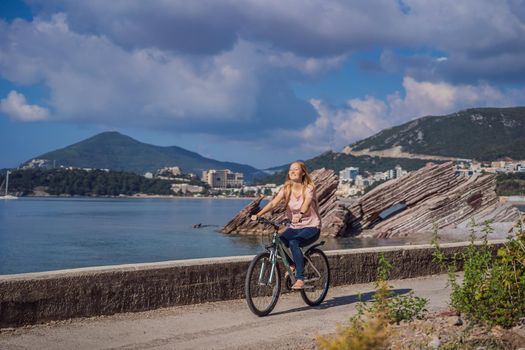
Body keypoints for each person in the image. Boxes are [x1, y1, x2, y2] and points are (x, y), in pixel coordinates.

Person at [251, 161, 321, 290]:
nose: (292, 171)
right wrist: (259, 214)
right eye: (290, 170)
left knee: (294, 242)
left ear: (303, 172)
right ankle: (292, 265)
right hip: (294, 227)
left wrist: (300, 214)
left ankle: (300, 278)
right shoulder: (286, 189)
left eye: (296, 169)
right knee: (277, 243)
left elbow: (306, 203)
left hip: (312, 227)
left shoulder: (309, 188)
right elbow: (273, 204)